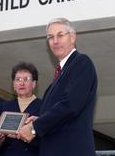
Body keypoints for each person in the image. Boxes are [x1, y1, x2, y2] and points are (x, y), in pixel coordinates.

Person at [18, 18, 98, 156]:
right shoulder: (59, 75)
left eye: (60, 35)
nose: (55, 41)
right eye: (50, 37)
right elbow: (60, 112)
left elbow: (70, 104)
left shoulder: (81, 63)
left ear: (72, 37)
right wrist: (39, 119)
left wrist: (34, 127)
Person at [0, 62, 41, 156]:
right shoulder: (3, 107)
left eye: (26, 79)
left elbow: (49, 140)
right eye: (18, 79)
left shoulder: (44, 107)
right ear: (14, 85)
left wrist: (28, 135)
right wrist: (0, 140)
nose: (21, 83)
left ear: (34, 84)